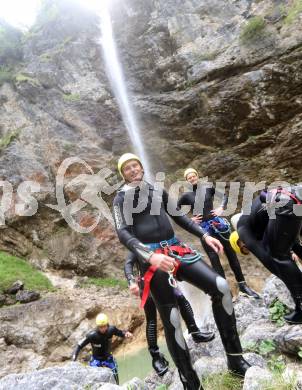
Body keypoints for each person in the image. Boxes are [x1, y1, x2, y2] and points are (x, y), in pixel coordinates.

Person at [112, 153, 251, 390]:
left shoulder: (156, 190)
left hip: (176, 249)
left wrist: (204, 235)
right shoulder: (120, 199)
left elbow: (179, 216)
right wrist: (151, 256)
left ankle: (236, 360)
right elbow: (123, 233)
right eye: (127, 168)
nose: (133, 170)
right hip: (152, 259)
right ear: (122, 174)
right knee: (173, 319)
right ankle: (191, 382)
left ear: (141, 166)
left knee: (221, 287)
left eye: (135, 165)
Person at [124, 252, 215, 376]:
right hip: (147, 284)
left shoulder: (156, 241)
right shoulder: (136, 245)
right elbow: (128, 263)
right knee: (151, 319)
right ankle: (156, 357)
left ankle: (195, 332)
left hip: (166, 279)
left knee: (182, 300)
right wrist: (131, 281)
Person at [178, 168, 260, 299]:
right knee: (215, 261)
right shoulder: (186, 196)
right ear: (187, 180)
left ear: (197, 176)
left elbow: (224, 196)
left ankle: (243, 286)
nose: (192, 178)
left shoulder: (208, 188)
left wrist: (221, 207)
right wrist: (189, 219)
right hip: (204, 230)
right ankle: (225, 292)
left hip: (218, 225)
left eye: (194, 176)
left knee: (232, 256)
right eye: (189, 177)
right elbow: (175, 210)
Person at [229, 186, 302, 324]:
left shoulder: (242, 228)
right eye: (246, 250)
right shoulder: (265, 224)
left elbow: (269, 260)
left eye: (243, 246)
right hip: (295, 196)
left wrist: (291, 280)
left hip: (286, 202)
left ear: (239, 240)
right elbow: (294, 243)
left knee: (277, 255)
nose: (248, 247)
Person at [72, 313, 132, 384]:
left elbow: (120, 332)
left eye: (104, 326)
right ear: (98, 326)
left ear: (107, 324)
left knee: (115, 375)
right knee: (93, 380)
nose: (103, 328)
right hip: (96, 359)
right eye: (101, 327)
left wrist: (126, 333)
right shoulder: (92, 335)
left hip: (108, 358)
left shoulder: (111, 330)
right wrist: (74, 358)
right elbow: (79, 345)